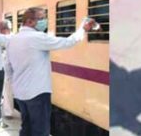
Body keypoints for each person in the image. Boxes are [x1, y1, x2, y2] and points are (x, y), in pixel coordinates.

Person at [6, 8, 98, 136]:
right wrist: (83, 29)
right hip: (37, 93)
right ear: (30, 21)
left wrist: (15, 85)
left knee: (26, 128)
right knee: (40, 131)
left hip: (20, 93)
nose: (45, 21)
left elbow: (8, 67)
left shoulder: (12, 40)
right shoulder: (37, 37)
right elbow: (67, 42)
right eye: (41, 18)